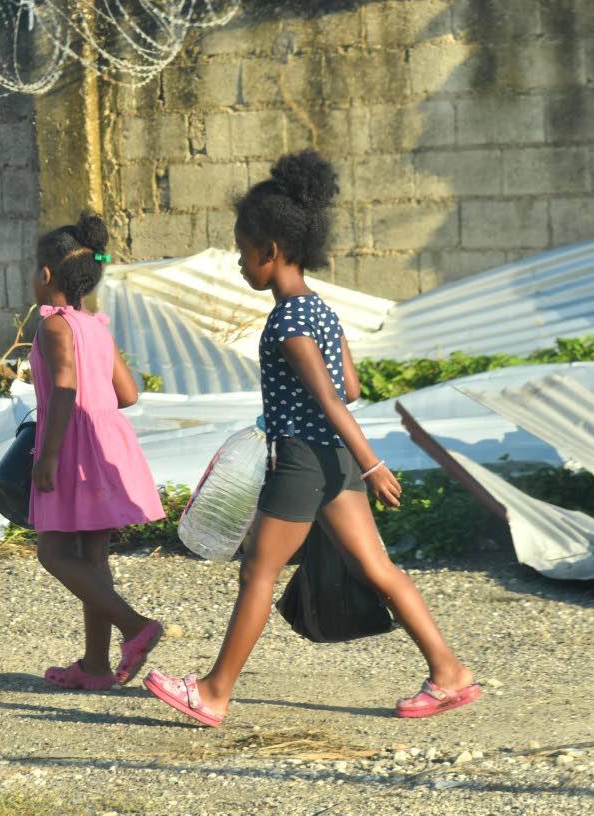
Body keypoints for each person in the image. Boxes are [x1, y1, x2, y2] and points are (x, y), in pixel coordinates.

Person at [143, 151, 479, 726]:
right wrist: (359, 461)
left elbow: (328, 397)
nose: (239, 263)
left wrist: (374, 466)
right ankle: (449, 674)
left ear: (270, 252)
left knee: (258, 572)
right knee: (379, 570)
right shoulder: (319, 309)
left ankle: (214, 692)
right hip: (334, 460)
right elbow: (349, 383)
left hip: (302, 462)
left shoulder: (287, 322)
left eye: (242, 251)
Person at [29, 211, 165, 691]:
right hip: (105, 443)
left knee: (52, 551)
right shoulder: (95, 326)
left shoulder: (53, 327)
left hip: (71, 447)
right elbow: (128, 394)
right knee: (92, 557)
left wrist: (47, 455)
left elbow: (64, 389)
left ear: (46, 276)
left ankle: (136, 627)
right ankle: (96, 665)